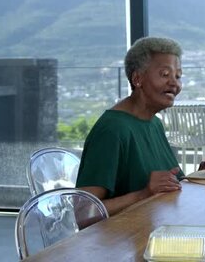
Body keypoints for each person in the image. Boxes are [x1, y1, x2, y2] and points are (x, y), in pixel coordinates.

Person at [76, 36, 184, 215]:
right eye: (165, 74)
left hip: (154, 228)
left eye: (178, 76)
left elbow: (168, 183)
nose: (175, 83)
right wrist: (144, 194)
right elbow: (83, 213)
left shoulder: (154, 123)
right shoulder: (113, 130)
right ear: (137, 79)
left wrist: (201, 176)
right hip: (122, 240)